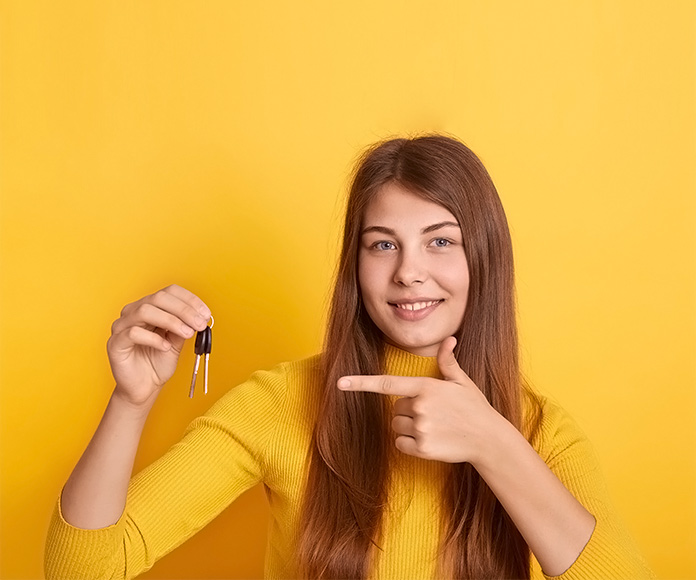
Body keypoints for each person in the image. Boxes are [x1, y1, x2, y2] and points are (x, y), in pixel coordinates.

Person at [44, 135, 655, 580]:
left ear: (484, 261)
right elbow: (81, 569)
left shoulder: (541, 431)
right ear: (355, 269)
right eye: (383, 244)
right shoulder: (282, 403)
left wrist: (496, 445)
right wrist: (131, 402)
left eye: (440, 241)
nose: (409, 272)